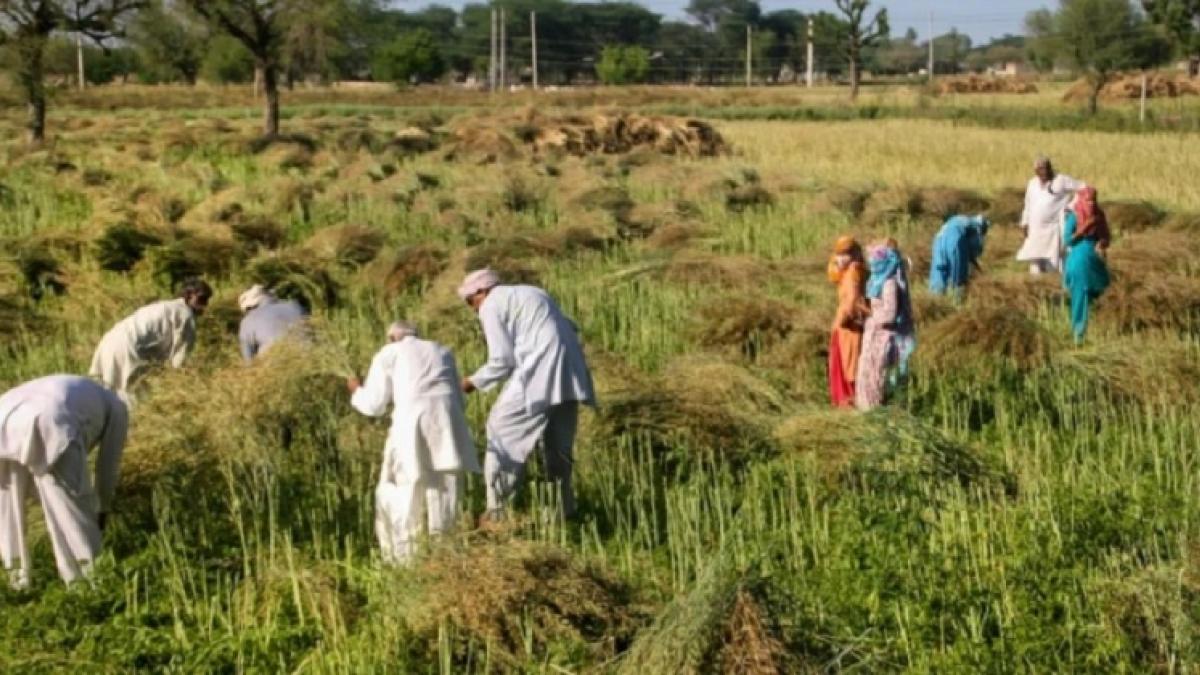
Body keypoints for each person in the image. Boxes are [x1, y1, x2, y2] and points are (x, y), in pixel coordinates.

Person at [457, 269, 595, 521]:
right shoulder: (533, 292)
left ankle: (495, 512)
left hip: (540, 370)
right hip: (571, 371)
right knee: (558, 448)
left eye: (470, 301)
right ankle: (565, 510)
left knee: (500, 429)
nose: (472, 309)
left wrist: (470, 382)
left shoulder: (491, 305)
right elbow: (568, 326)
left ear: (481, 292)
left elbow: (502, 360)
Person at [347, 321, 480, 564]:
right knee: (444, 491)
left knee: (404, 493)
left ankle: (404, 560)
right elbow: (459, 400)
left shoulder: (389, 353)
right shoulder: (443, 351)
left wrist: (356, 390)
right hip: (449, 428)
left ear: (392, 338)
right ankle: (445, 557)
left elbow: (374, 405)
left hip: (411, 429)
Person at [0, 375, 128, 588]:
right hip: (49, 421)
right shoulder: (118, 407)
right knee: (71, 508)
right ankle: (89, 581)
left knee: (7, 509)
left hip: (4, 416)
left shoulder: (79, 386)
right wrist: (102, 508)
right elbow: (108, 464)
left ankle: (17, 580)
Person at [89, 278, 212, 405]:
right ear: (189, 295)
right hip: (130, 347)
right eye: (201, 299)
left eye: (207, 300)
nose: (204, 305)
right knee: (136, 400)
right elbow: (180, 362)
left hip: (108, 342)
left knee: (108, 397)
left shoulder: (164, 305)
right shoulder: (185, 314)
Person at [857, 241, 917, 411]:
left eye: (875, 261)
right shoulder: (877, 281)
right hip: (874, 334)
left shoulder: (889, 283)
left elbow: (890, 313)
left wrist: (871, 316)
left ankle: (877, 410)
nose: (872, 264)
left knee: (878, 375)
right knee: (868, 374)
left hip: (883, 338)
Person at [1017, 155, 1086, 275]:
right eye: (1041, 169)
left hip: (1053, 229)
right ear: (1036, 171)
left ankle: (1054, 284)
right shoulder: (1032, 184)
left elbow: (1084, 188)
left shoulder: (1061, 180)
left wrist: (1071, 206)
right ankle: (1036, 285)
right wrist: (1025, 222)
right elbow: (1028, 204)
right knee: (1035, 261)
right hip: (1035, 229)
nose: (1044, 172)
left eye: (1046, 168)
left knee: (1054, 262)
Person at [1062, 187, 1111, 342]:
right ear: (1081, 200)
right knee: (1081, 293)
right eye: (1088, 200)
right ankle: (1079, 333)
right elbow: (1068, 240)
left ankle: (1099, 328)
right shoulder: (1074, 216)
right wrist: (1083, 228)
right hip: (1078, 258)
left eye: (1093, 200)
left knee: (1102, 289)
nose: (1091, 203)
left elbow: (1106, 237)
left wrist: (1102, 243)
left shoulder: (1099, 215)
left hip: (1095, 258)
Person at [827, 236, 869, 407]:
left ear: (854, 255)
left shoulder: (852, 273)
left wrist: (842, 320)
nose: (840, 259)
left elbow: (852, 300)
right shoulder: (853, 270)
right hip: (849, 326)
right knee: (848, 363)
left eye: (845, 255)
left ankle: (848, 404)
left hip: (848, 328)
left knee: (847, 366)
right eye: (838, 255)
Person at [238, 284, 309, 362]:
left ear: (250, 306)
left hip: (276, 365)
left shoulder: (247, 321)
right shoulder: (295, 305)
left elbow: (248, 360)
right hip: (311, 357)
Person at [929, 214, 990, 296]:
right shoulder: (977, 227)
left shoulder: (958, 220)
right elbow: (975, 248)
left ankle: (936, 302)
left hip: (938, 241)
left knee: (938, 278)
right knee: (958, 281)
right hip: (956, 238)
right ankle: (957, 303)